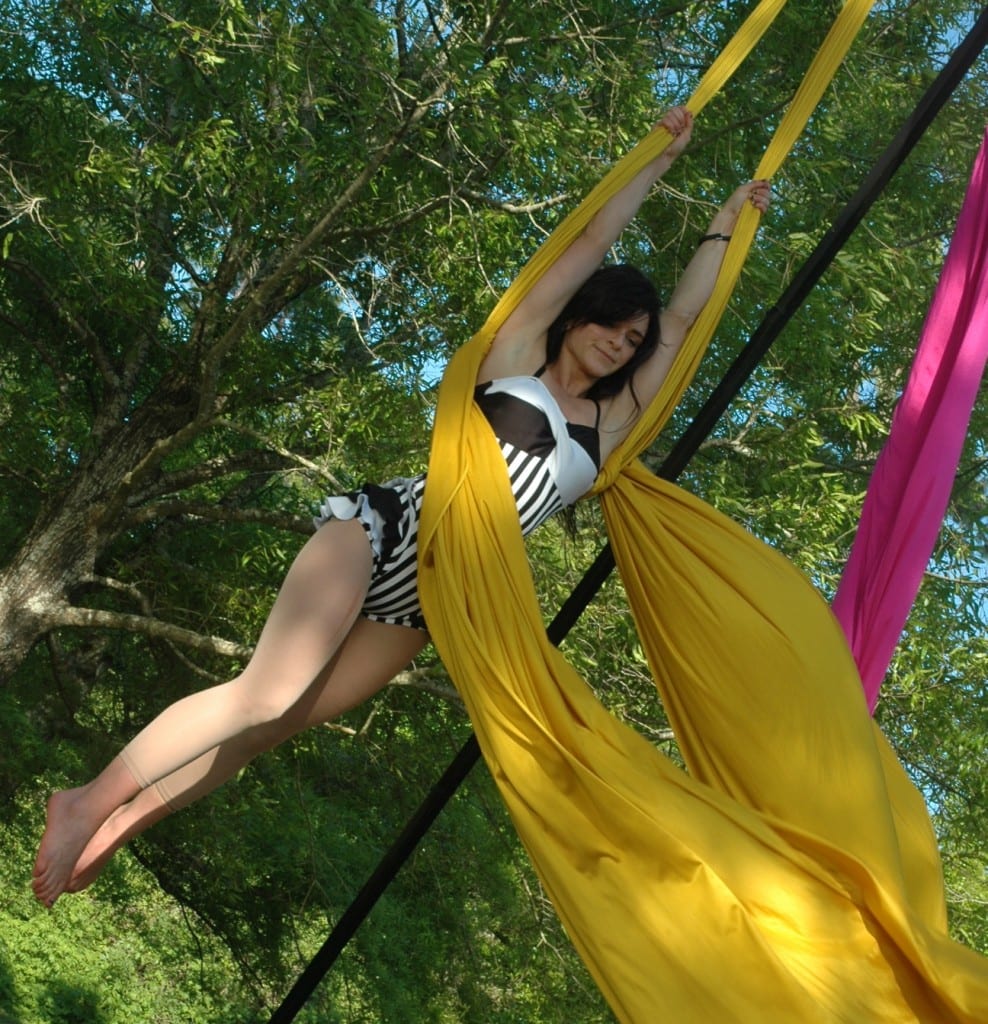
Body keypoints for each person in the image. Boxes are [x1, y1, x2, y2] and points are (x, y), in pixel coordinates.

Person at [32, 106, 770, 908]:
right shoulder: (517, 350)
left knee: (274, 728)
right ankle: (86, 801)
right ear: (580, 316)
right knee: (265, 693)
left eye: (633, 342)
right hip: (384, 532)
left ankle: (114, 829)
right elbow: (588, 239)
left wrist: (726, 225)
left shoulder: (611, 423)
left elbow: (685, 324)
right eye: (612, 326)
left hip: (434, 599)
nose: (621, 346)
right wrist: (660, 158)